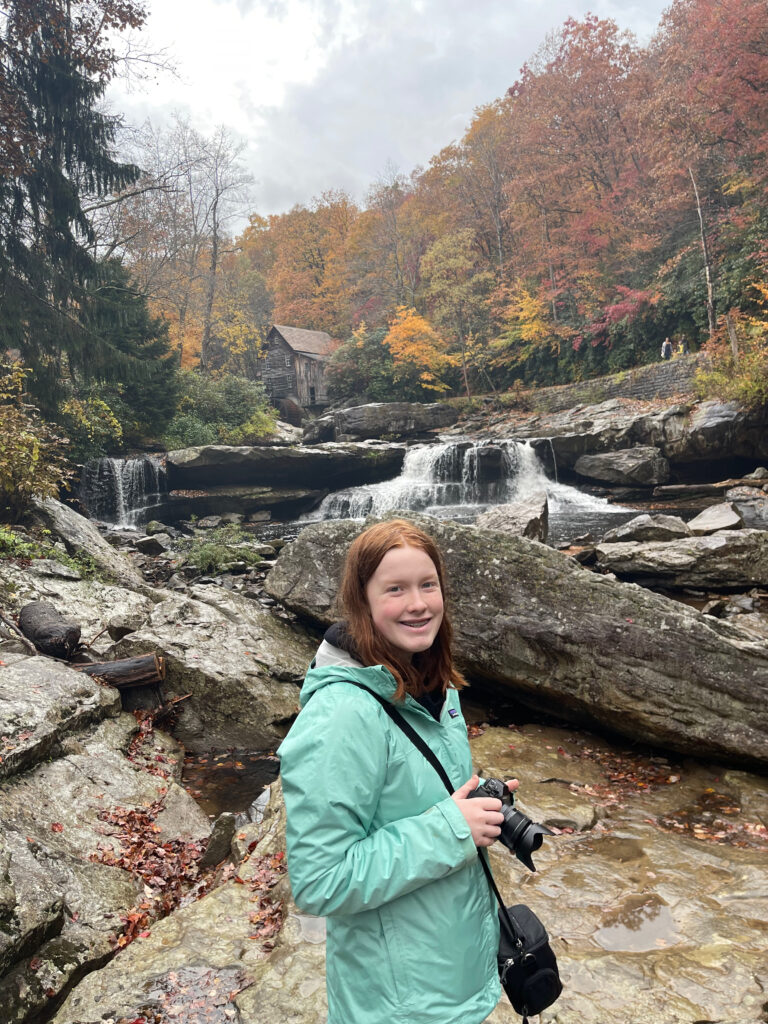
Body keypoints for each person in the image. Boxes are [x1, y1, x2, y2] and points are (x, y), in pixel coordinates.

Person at [278, 519, 519, 1024]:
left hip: (455, 968)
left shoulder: (435, 686)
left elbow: (420, 802)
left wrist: (478, 808)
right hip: (398, 1002)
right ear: (362, 600)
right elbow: (321, 881)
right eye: (395, 589)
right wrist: (454, 827)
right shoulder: (342, 715)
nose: (418, 604)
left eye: (427, 585)